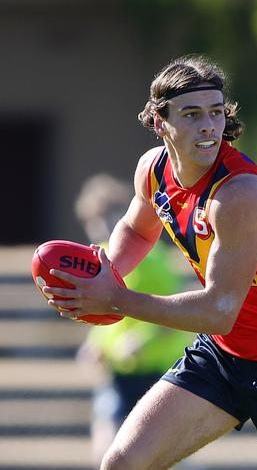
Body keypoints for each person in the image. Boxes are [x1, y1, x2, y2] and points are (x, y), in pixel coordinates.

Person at [43, 54, 257, 470]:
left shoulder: (240, 194)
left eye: (215, 113)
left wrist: (114, 298)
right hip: (223, 358)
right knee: (121, 463)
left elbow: (218, 311)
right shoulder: (153, 171)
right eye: (191, 114)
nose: (209, 126)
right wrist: (103, 273)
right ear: (160, 122)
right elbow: (138, 231)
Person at [74, 173, 194, 466]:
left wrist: (144, 339)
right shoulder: (99, 262)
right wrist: (95, 344)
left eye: (106, 218)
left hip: (155, 372)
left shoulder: (150, 261)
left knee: (163, 457)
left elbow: (176, 313)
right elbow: (108, 315)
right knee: (106, 452)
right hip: (118, 374)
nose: (100, 229)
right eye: (93, 222)